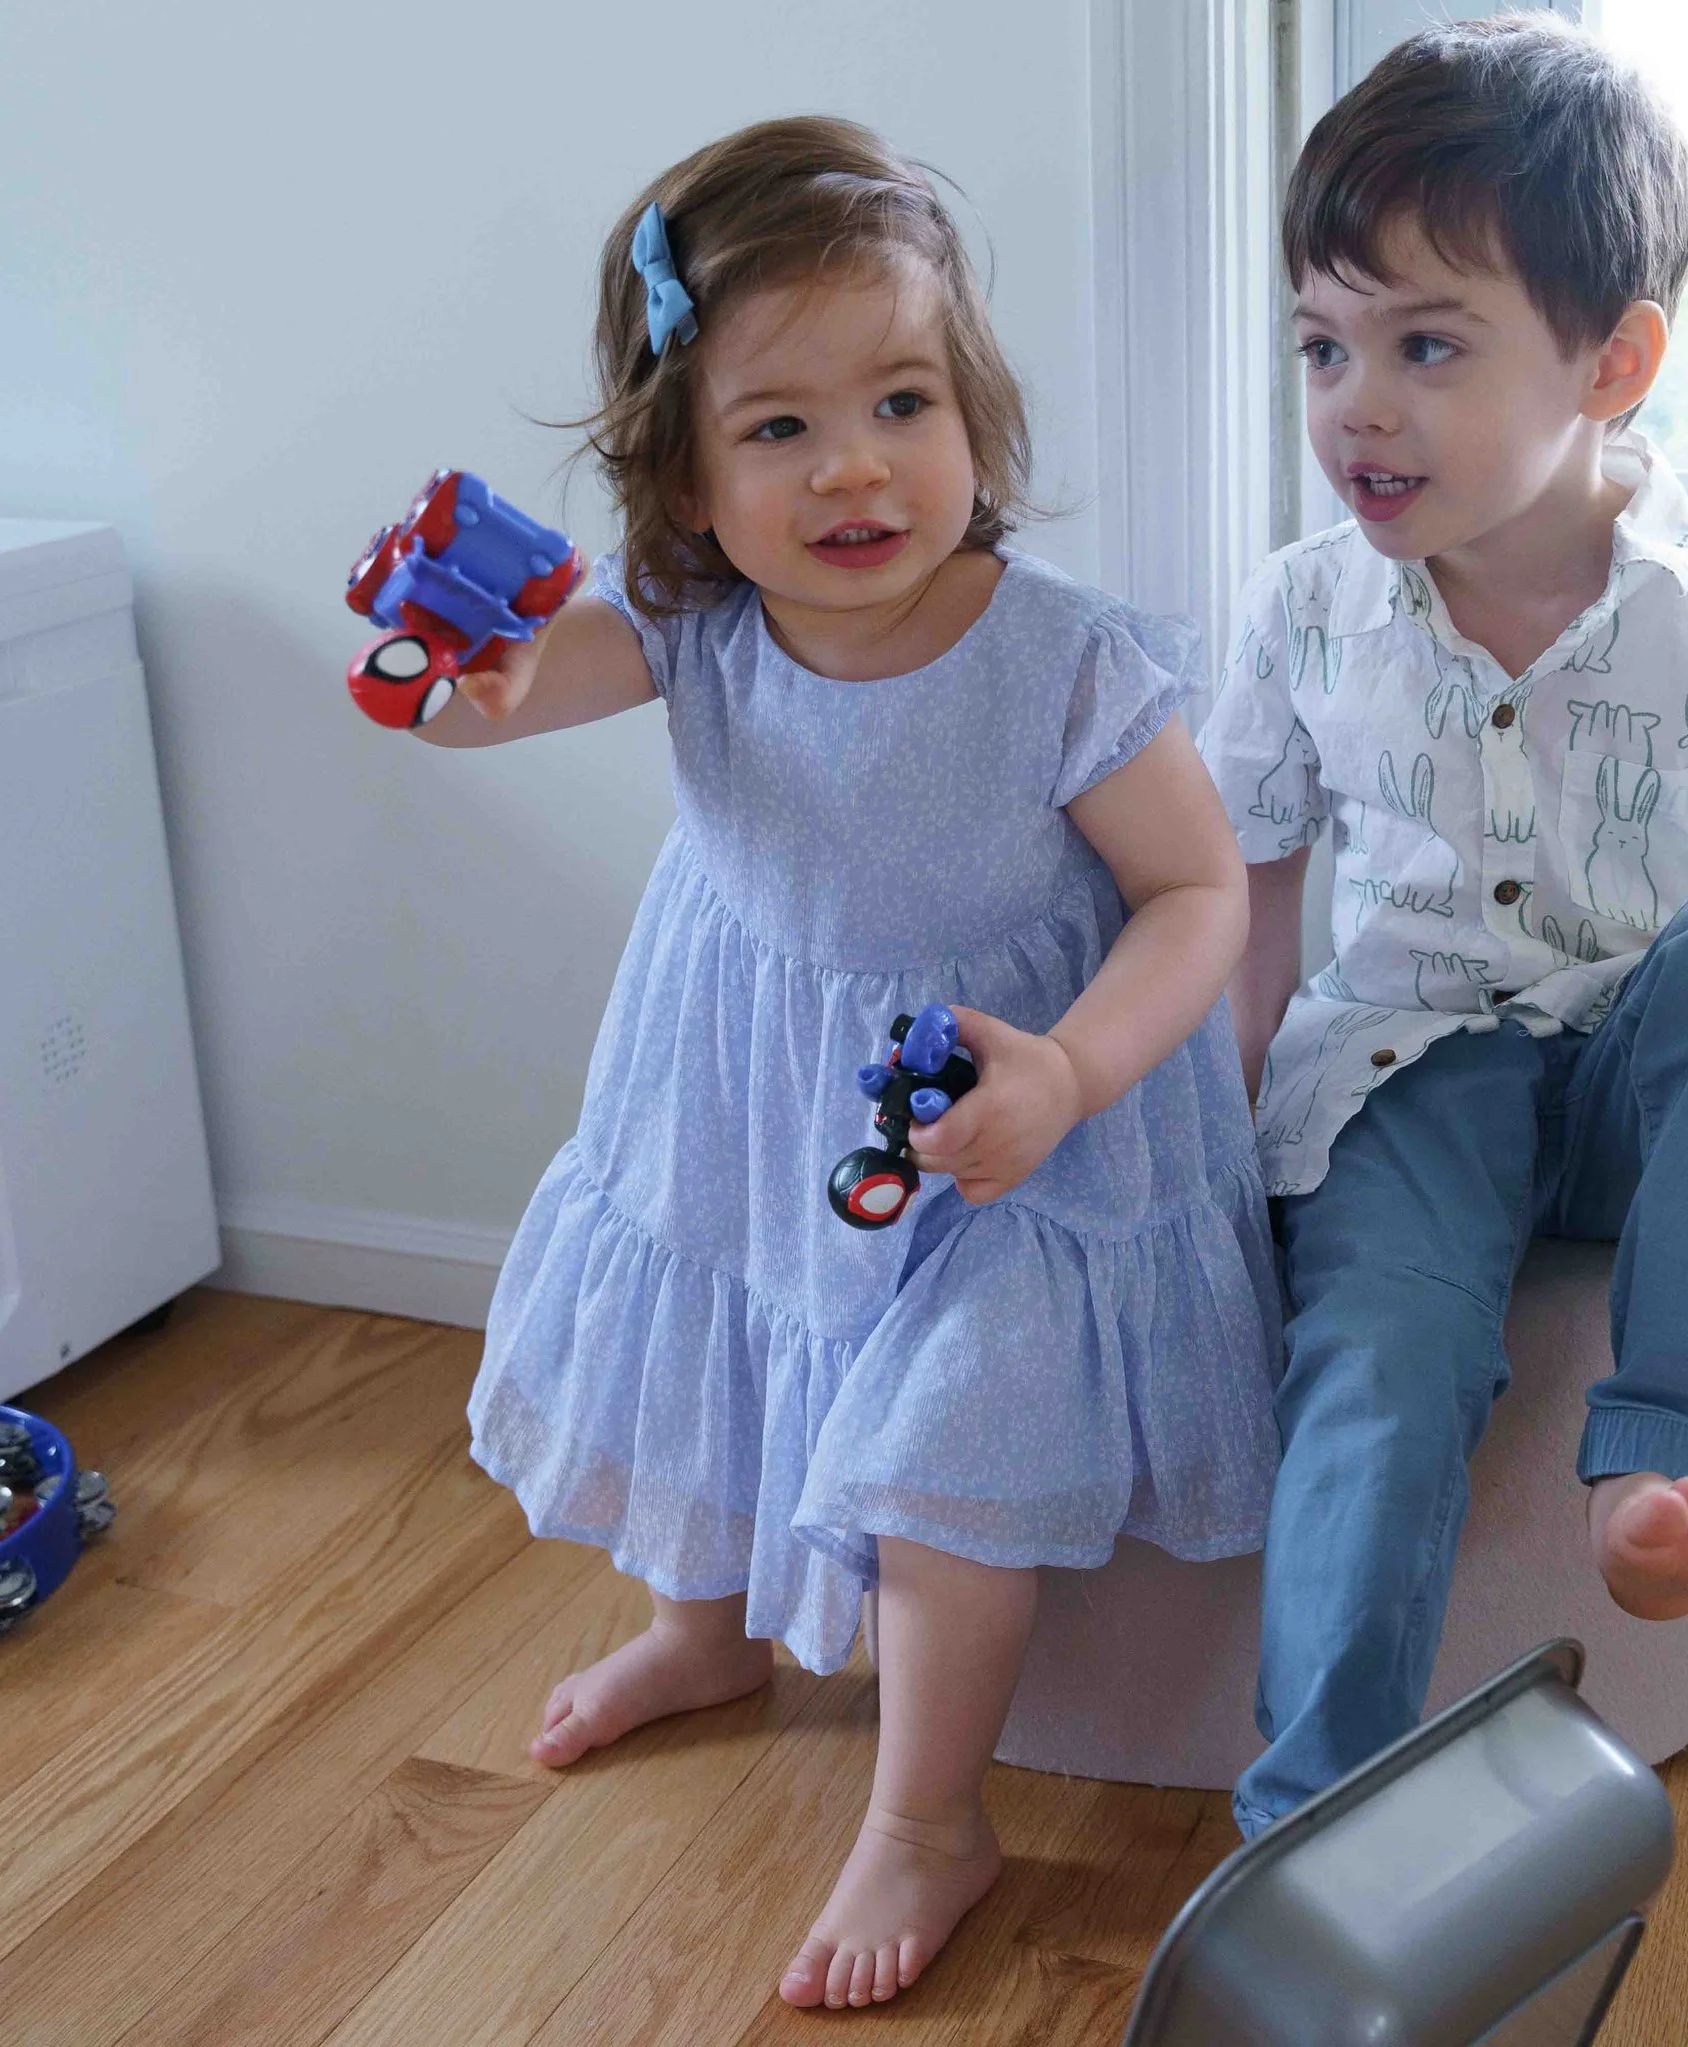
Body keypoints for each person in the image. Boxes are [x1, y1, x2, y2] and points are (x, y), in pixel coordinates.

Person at [414, 117, 1280, 2008]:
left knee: (946, 1441)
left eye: (902, 401)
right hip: (745, 1088)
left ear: (974, 412)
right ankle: (703, 1628)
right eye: (779, 426)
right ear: (685, 475)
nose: (855, 465)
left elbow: (1200, 892)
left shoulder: (1061, 662)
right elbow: (505, 701)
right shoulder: (690, 621)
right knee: (720, 1333)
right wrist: (462, 674)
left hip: (1014, 1121)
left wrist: (1070, 1072)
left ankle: (928, 1812)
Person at [1198, 14, 1688, 1838]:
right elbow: (1245, 914)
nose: (1355, 405)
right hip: (1406, 1080)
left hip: (1644, 1092)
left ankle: (1654, 1476)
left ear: (1615, 363)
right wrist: (1203, 1188)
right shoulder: (1301, 610)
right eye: (1322, 346)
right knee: (1380, 1372)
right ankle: (1312, 1821)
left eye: (1427, 346)